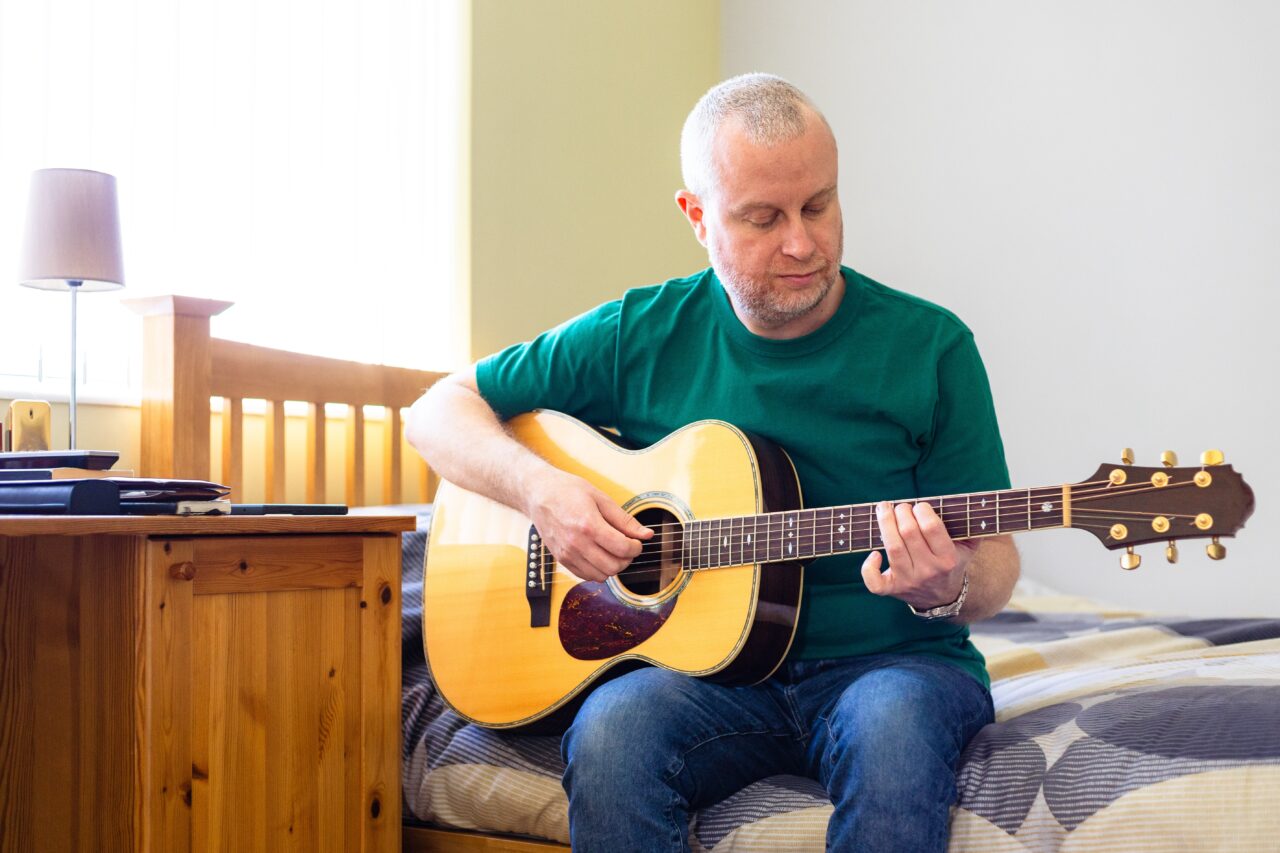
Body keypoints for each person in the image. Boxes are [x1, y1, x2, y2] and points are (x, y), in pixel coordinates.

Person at [407, 73, 1020, 852]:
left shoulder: (931, 347)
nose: (801, 242)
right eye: (762, 217)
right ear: (697, 217)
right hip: (709, 678)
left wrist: (950, 584)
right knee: (613, 734)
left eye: (819, 205)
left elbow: (995, 559)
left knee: (894, 737)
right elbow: (435, 410)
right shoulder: (641, 331)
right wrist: (540, 490)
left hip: (894, 665)